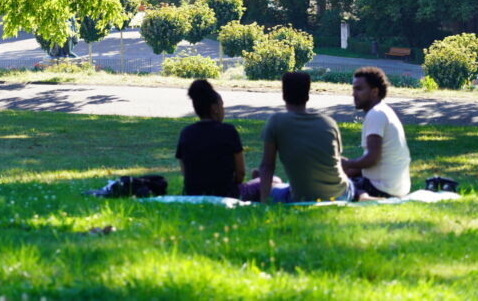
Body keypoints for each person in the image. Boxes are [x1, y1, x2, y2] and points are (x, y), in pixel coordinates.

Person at [259, 71, 356, 203]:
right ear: (307, 95)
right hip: (341, 195)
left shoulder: (276, 122)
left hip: (302, 198)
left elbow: (267, 166)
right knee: (353, 184)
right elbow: (337, 159)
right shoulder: (328, 122)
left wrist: (264, 201)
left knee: (275, 189)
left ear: (284, 94)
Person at [341, 67, 412, 198]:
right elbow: (373, 162)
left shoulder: (376, 114)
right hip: (396, 188)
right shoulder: (383, 111)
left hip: (381, 188)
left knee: (330, 186)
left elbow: (373, 158)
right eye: (353, 89)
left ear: (374, 91)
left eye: (359, 89)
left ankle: (363, 197)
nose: (354, 94)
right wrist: (346, 169)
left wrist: (347, 164)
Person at [175, 79, 244, 197]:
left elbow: (185, 171)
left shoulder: (186, 133)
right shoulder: (229, 131)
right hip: (225, 194)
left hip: (193, 195)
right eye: (222, 105)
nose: (223, 110)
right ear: (215, 108)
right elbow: (240, 173)